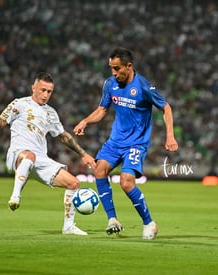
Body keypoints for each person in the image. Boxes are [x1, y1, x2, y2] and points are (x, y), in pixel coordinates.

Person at [74, 47, 178, 240]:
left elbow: (166, 108)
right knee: (99, 170)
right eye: (111, 68)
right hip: (115, 142)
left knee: (126, 182)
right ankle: (112, 219)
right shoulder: (110, 84)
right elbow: (102, 109)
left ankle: (149, 223)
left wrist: (170, 136)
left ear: (128, 66)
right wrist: (85, 121)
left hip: (135, 144)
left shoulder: (144, 87)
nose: (113, 73)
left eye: (116, 68)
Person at [0, 72, 96, 235]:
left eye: (49, 91)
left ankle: (68, 226)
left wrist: (84, 154)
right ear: (33, 88)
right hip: (18, 154)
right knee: (30, 156)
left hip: (40, 160)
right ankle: (15, 196)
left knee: (74, 183)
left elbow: (63, 136)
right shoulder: (19, 104)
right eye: (42, 90)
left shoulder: (51, 113)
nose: (46, 94)